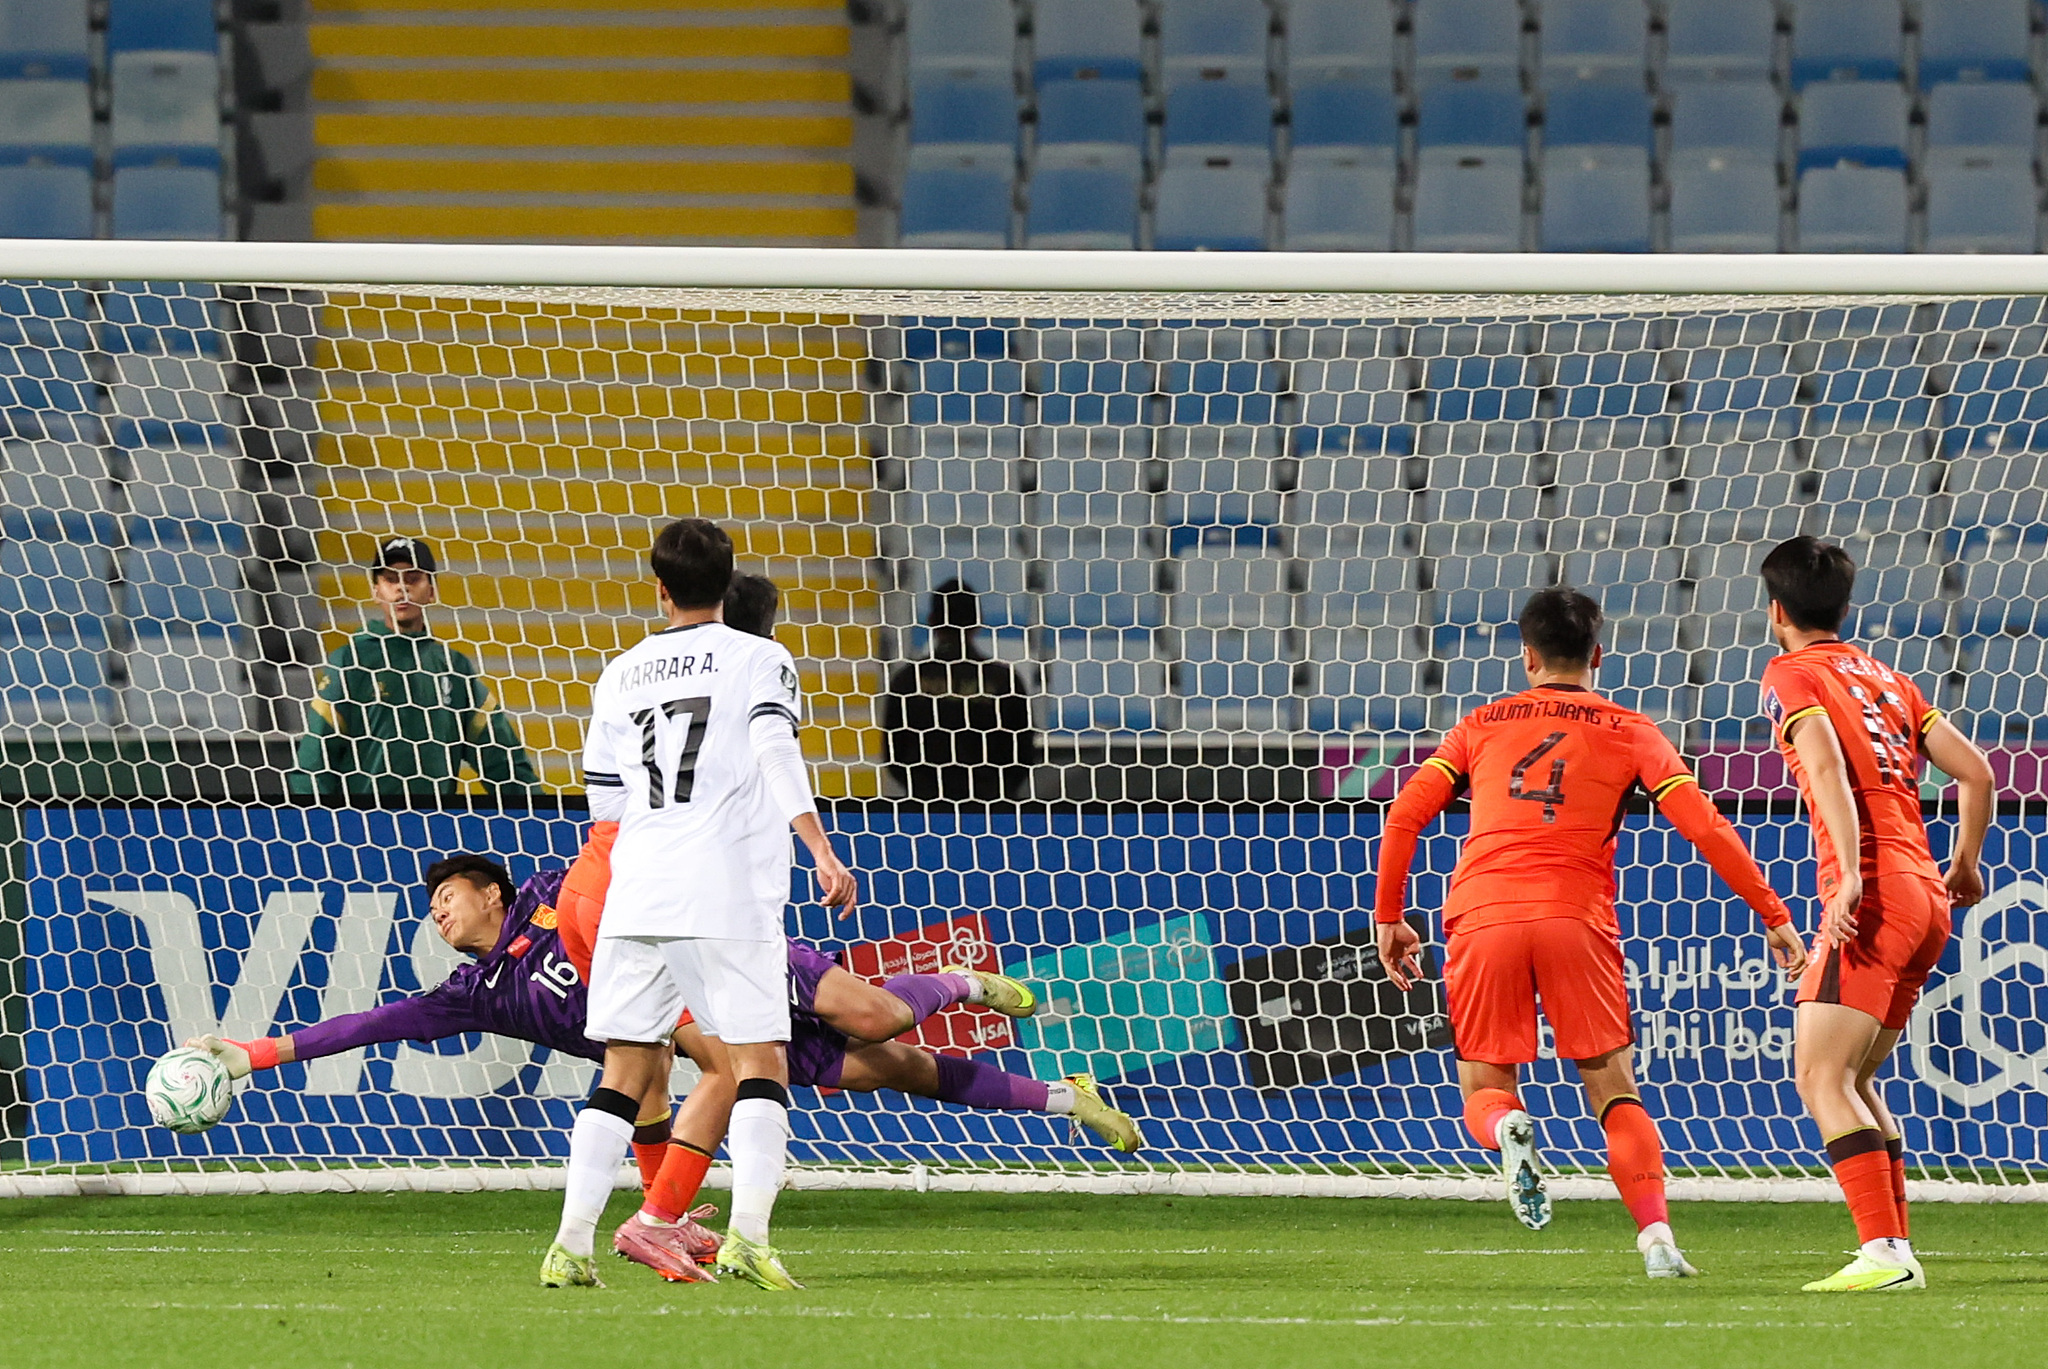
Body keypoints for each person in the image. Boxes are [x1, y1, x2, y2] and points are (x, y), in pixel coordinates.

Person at [182, 851, 1138, 1289]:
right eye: (430, 908)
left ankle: (964, 976)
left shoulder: (564, 889)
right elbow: (368, 1021)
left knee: (879, 1012)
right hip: (697, 1029)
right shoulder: (480, 993)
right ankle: (1066, 1097)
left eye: (446, 899)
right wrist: (251, 1051)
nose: (436, 916)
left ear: (492, 892)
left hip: (727, 956)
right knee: (891, 1068)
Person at [1374, 588, 1807, 1280]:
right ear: (1597, 655)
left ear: (1527, 655)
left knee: (1485, 1084)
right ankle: (1658, 1237)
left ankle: (1506, 1128)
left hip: (1483, 911)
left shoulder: (1478, 725)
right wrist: (1775, 914)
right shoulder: (1631, 728)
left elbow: (1404, 815)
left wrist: (1390, 916)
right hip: (1576, 915)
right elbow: (1705, 826)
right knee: (1613, 1087)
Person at [549, 517, 853, 1293]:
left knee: (623, 1067)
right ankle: (749, 1237)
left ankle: (570, 1246)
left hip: (637, 885)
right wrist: (818, 847)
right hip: (723, 887)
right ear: (729, 581)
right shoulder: (760, 658)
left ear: (659, 587)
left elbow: (605, 799)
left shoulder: (619, 672)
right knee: (760, 1060)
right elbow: (776, 749)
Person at [1756, 537, 1994, 1294]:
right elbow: (1980, 772)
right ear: (1845, 606)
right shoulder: (1892, 679)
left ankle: (1883, 1254)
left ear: (1777, 610)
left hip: (1877, 891)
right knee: (1855, 1075)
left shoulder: (1791, 673)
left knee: (1820, 1073)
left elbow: (1822, 760)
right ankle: (1896, 1248)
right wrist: (1964, 862)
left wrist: (1851, 873)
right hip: (1925, 891)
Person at [290, 535, 541, 802]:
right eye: (390, 579)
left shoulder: (453, 667)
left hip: (437, 828)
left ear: (431, 591)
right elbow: (314, 760)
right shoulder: (350, 661)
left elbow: (501, 759)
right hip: (364, 828)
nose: (402, 588)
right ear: (376, 591)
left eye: (412, 579)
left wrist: (540, 814)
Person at [882, 578, 1036, 801]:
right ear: (978, 621)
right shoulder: (1004, 680)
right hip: (989, 805)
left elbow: (893, 752)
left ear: (932, 621)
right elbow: (1022, 755)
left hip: (924, 806)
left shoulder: (908, 679)